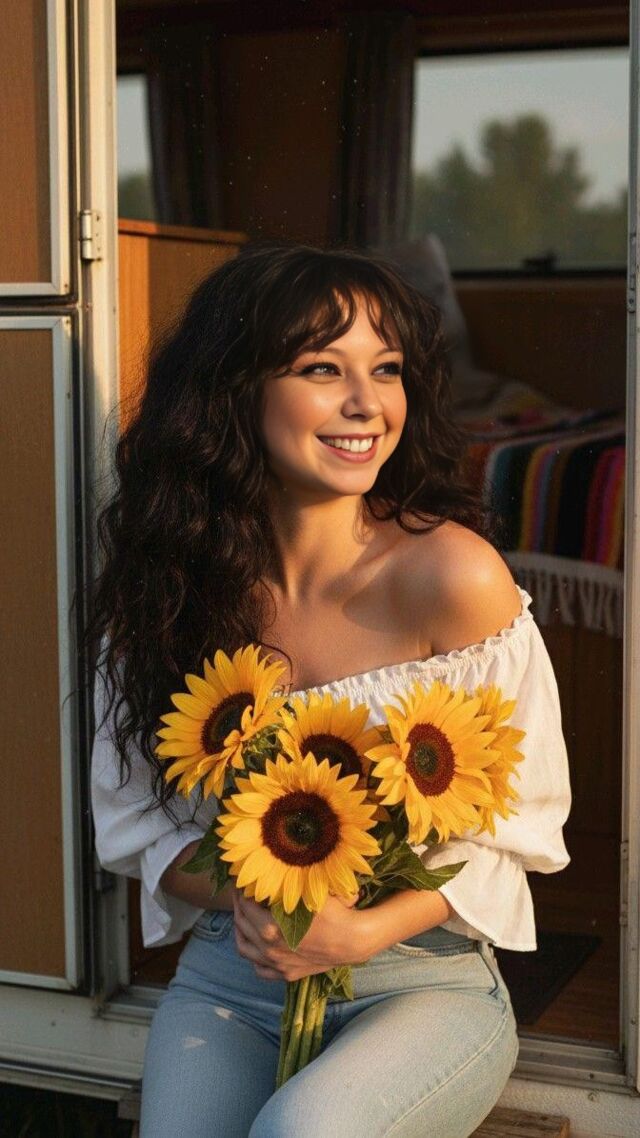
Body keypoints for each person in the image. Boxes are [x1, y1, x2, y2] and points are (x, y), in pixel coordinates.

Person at [89, 241, 571, 1138]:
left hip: (421, 981)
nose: (367, 404)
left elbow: (524, 828)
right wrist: (249, 897)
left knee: (305, 1130)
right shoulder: (170, 589)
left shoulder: (454, 577)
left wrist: (364, 931)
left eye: (385, 370)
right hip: (232, 978)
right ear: (235, 391)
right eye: (322, 369)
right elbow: (137, 825)